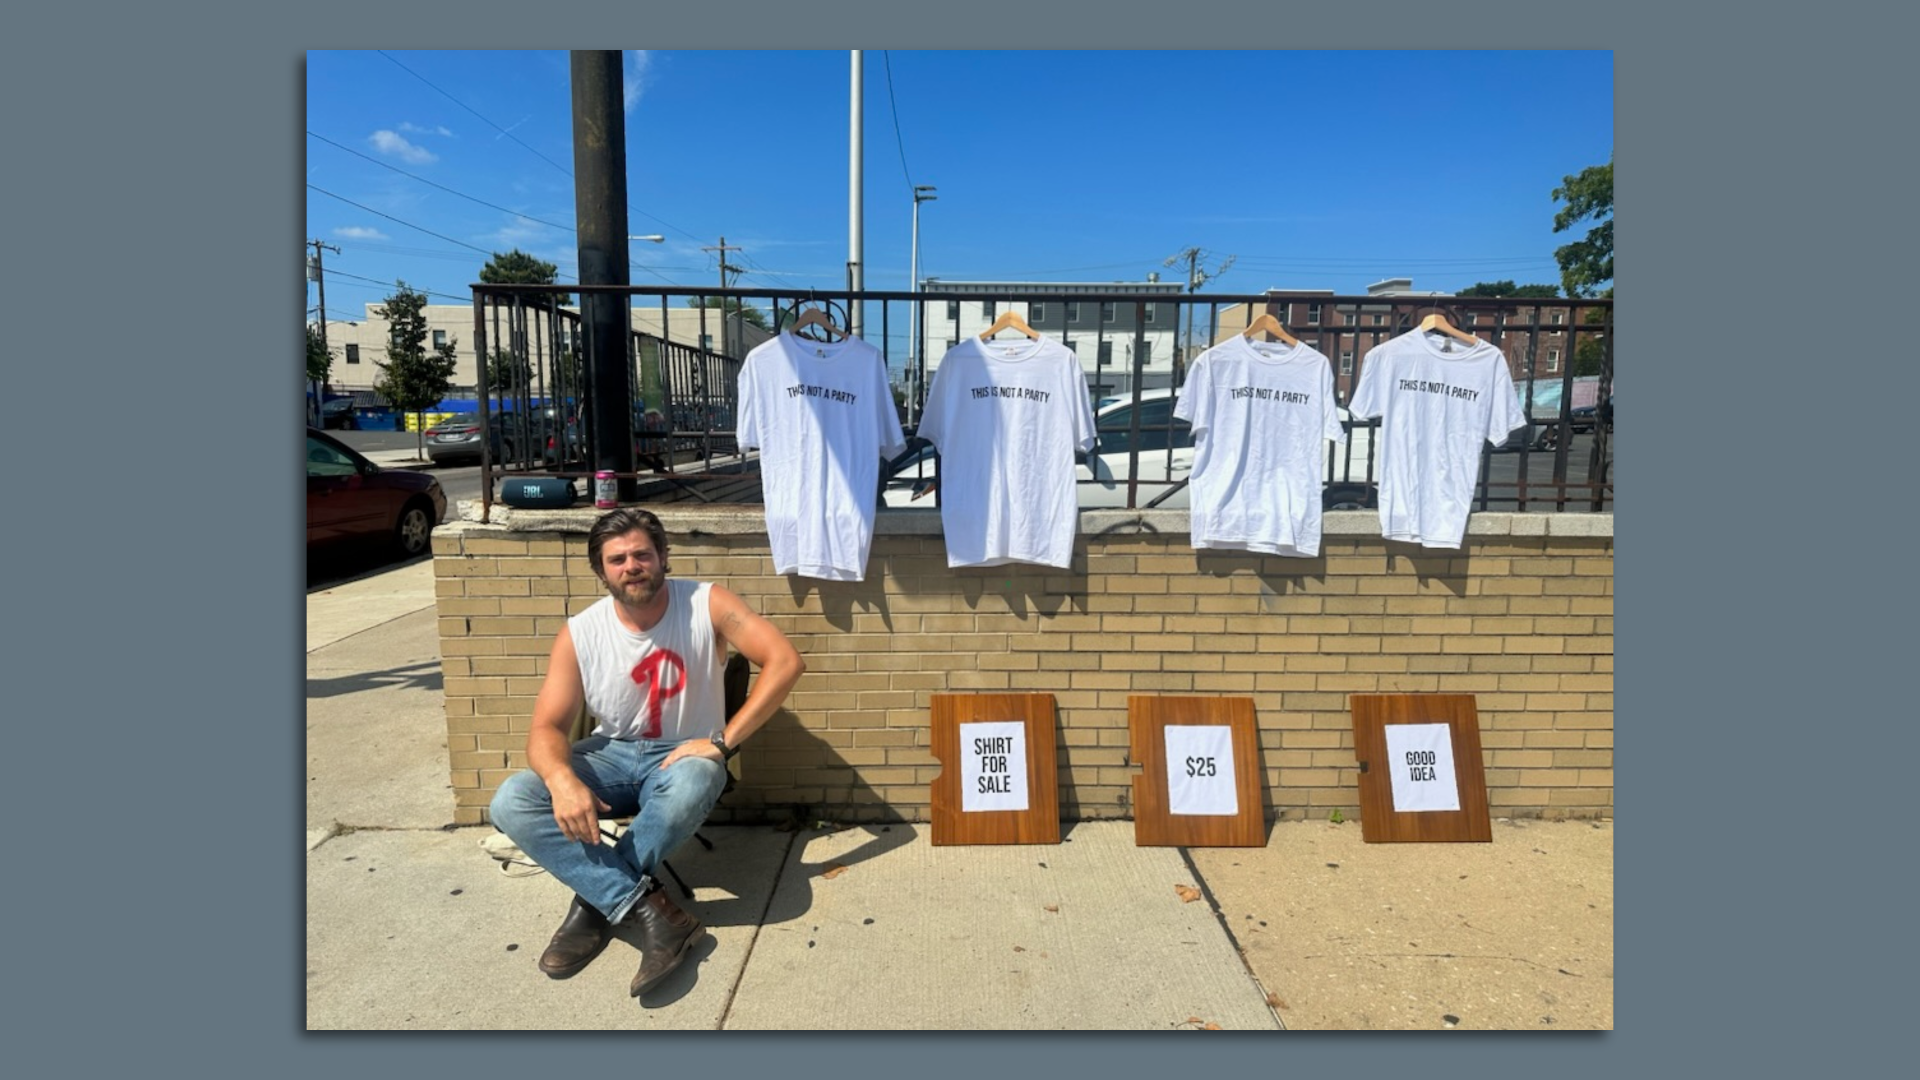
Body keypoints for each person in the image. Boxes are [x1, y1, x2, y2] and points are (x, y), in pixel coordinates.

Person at [488, 507, 804, 997]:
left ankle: (591, 906)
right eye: (617, 559)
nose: (631, 565)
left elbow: (784, 661)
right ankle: (647, 910)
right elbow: (545, 728)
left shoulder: (706, 602)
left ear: (662, 559)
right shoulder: (580, 633)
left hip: (684, 755)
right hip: (610, 755)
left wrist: (722, 740)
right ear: (601, 571)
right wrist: (562, 781)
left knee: (697, 780)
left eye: (642, 554)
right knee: (512, 799)